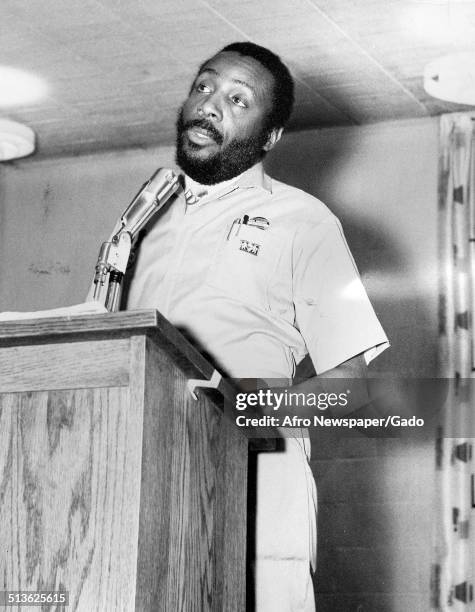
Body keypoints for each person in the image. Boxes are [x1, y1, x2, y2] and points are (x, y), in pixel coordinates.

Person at [123, 42, 389, 611]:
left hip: (255, 473)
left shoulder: (306, 222)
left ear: (269, 138)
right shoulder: (141, 221)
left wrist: (240, 412)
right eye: (203, 87)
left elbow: (349, 385)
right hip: (143, 469)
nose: (209, 106)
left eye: (237, 99)